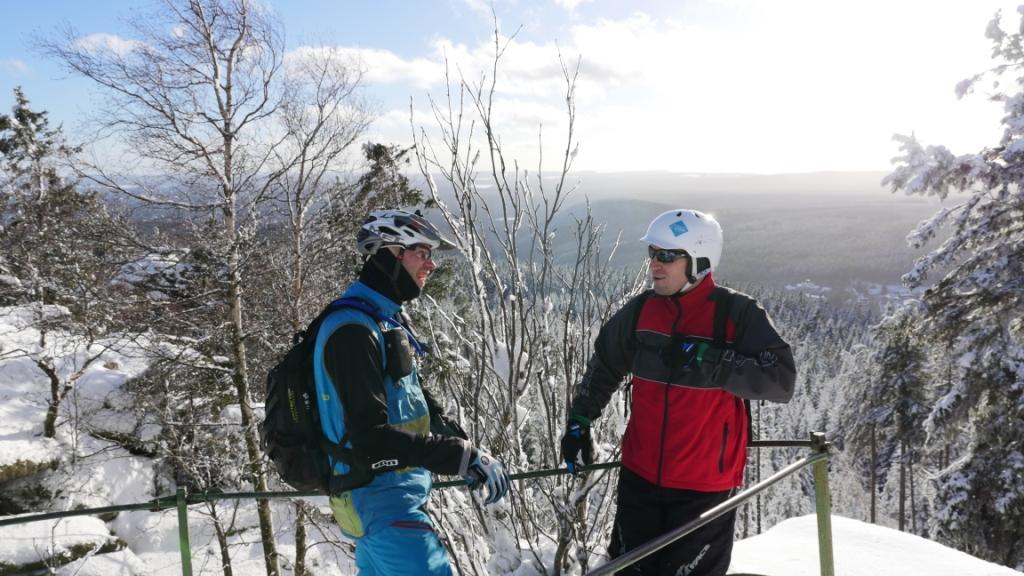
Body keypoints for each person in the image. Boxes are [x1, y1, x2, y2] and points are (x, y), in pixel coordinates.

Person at [560, 209, 795, 576]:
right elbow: (605, 365)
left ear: (699, 261)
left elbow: (780, 380)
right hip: (639, 478)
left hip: (703, 489)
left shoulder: (736, 314)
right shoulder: (641, 312)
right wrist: (579, 419)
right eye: (653, 253)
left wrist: (709, 359)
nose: (654, 264)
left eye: (667, 256)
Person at [314, 209, 510, 575]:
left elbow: (413, 402)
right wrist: (459, 456)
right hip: (383, 506)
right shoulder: (353, 332)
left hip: (385, 505)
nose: (431, 264)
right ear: (392, 253)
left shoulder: (380, 320)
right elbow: (370, 439)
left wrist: (464, 447)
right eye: (422, 253)